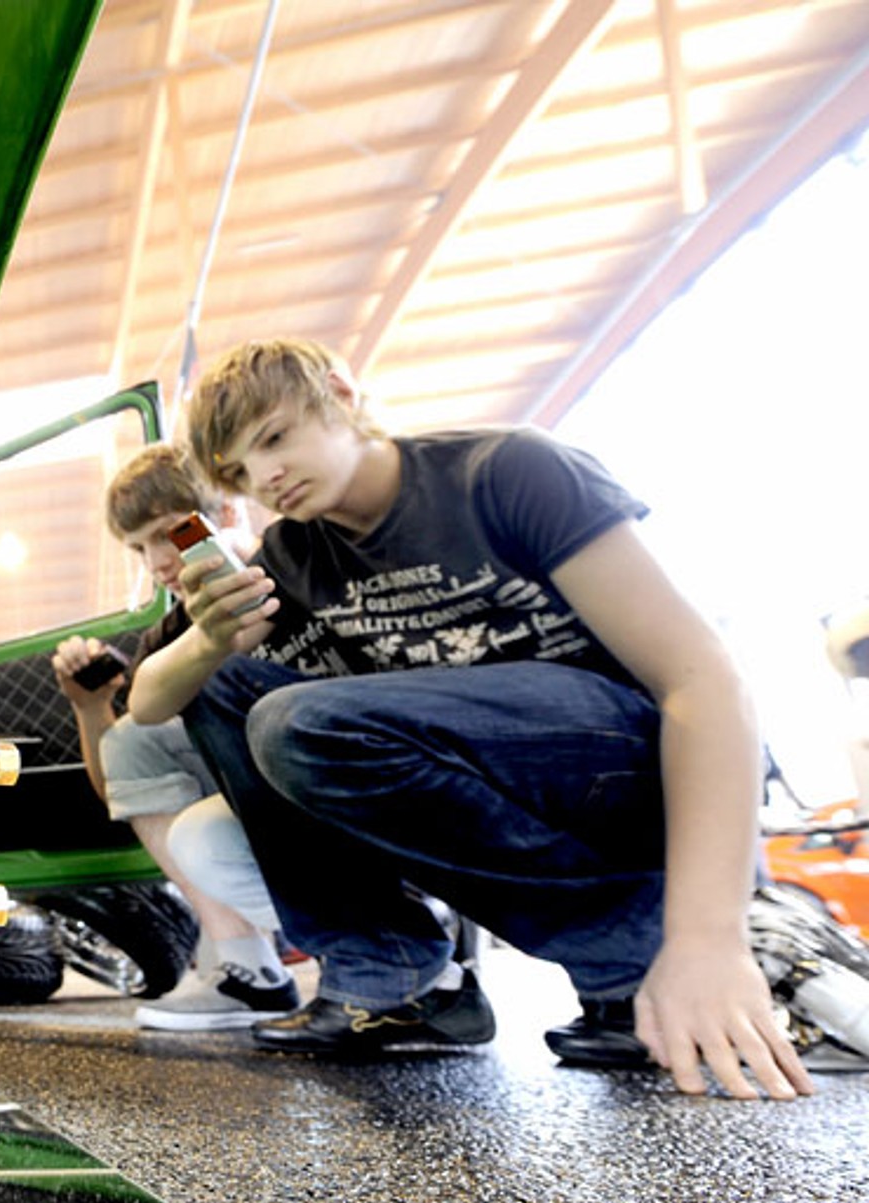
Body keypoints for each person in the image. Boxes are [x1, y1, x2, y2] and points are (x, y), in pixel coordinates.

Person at [130, 336, 812, 1100]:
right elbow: (150, 702)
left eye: (275, 438)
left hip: (628, 768)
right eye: (241, 472)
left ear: (340, 394)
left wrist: (707, 938)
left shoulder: (506, 471)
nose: (267, 477)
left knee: (299, 721)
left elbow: (702, 681)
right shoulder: (291, 556)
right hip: (486, 764)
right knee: (224, 684)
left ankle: (635, 951)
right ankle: (392, 979)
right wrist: (208, 642)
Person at [52, 443, 297, 1028]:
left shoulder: (293, 565)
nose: (157, 561)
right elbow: (122, 786)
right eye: (140, 548)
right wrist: (91, 707)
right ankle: (248, 967)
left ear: (227, 512)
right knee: (131, 741)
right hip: (255, 800)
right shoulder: (167, 638)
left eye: (168, 534)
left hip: (331, 778)